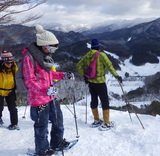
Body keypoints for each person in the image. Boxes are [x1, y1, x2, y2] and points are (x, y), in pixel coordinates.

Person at [23, 25, 75, 155]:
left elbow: (49, 75)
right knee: (42, 127)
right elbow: (29, 81)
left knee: (58, 120)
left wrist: (63, 75)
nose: (53, 50)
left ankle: (56, 143)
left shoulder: (44, 57)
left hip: (51, 96)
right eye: (52, 47)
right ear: (43, 45)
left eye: (55, 47)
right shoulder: (29, 58)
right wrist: (45, 90)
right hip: (39, 100)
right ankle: (42, 150)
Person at [76, 38, 122, 130]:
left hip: (91, 83)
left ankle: (96, 120)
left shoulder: (87, 55)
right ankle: (106, 123)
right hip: (100, 82)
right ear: (99, 47)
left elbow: (79, 66)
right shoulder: (102, 55)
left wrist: (85, 76)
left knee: (94, 100)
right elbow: (110, 66)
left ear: (91, 48)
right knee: (104, 101)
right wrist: (116, 76)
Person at [0, 51, 19, 130]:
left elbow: (19, 77)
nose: (10, 64)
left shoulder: (14, 68)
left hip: (10, 91)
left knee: (12, 108)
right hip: (0, 91)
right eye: (7, 63)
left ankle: (14, 123)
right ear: (3, 62)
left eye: (11, 62)